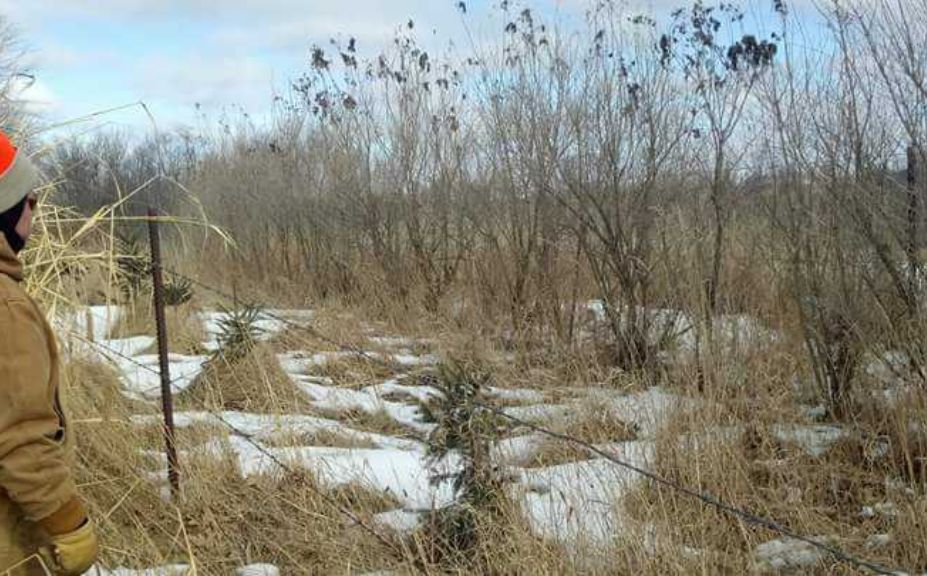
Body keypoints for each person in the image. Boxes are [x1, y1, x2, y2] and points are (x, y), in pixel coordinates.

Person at [0, 132, 99, 575]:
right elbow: (19, 437)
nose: (35, 209)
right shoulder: (6, 307)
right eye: (27, 200)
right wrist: (69, 524)